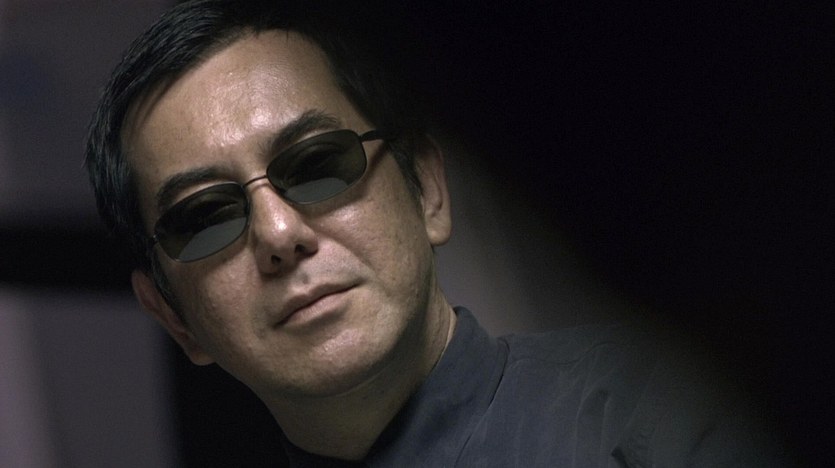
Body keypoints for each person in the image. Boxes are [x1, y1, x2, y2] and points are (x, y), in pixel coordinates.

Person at [85, 1, 792, 466]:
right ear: (173, 317)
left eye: (317, 165)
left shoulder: (667, 415)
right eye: (206, 216)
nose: (278, 232)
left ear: (426, 188)